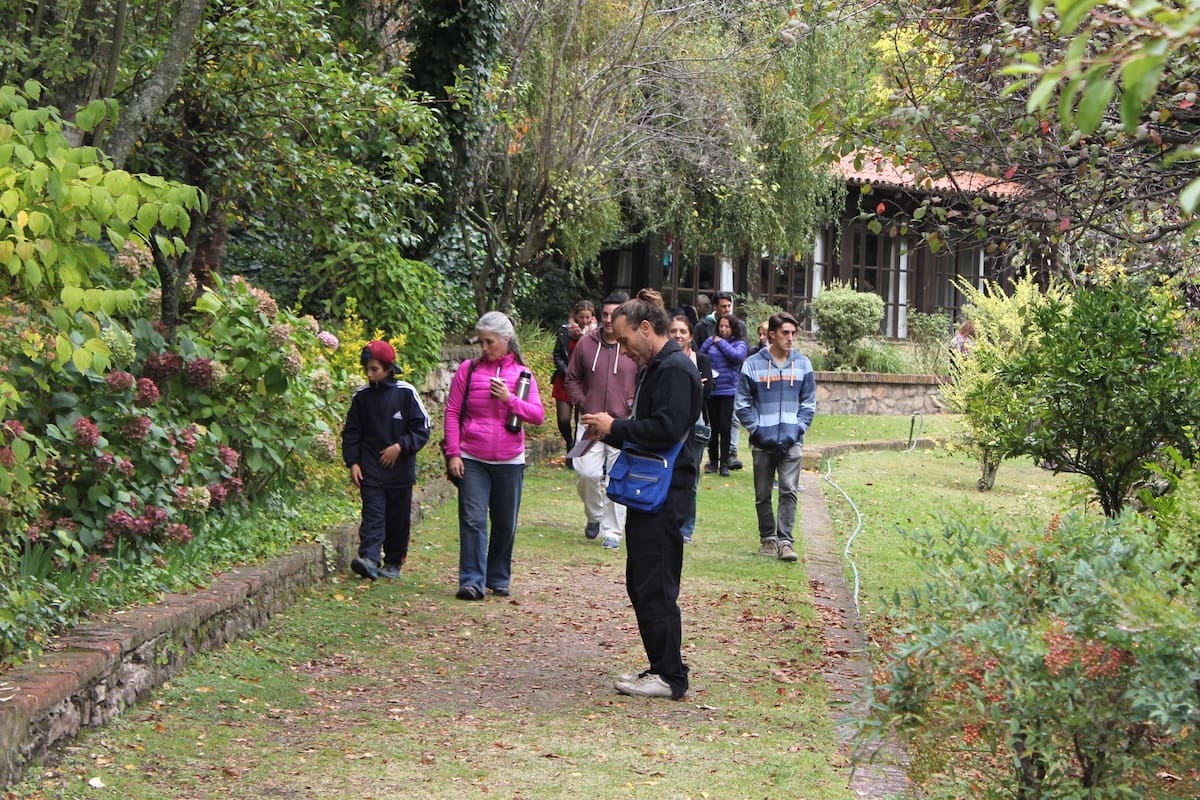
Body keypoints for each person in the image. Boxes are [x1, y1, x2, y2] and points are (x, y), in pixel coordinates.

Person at [581, 296, 700, 699]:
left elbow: (666, 430)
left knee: (656, 583)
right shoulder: (657, 366)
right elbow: (650, 429)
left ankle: (670, 676)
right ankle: (660, 667)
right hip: (650, 491)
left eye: (626, 339)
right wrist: (610, 431)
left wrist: (616, 427)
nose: (623, 349)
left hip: (666, 493)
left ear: (645, 328)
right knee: (642, 581)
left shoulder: (676, 369)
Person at [443, 312, 545, 600]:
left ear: (506, 339)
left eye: (490, 342)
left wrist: (509, 399)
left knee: (505, 522)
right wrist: (453, 453)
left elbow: (537, 415)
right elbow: (452, 412)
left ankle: (498, 576)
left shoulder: (523, 374)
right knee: (472, 519)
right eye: (482, 342)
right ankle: (472, 581)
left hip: (509, 460)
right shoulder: (468, 370)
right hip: (472, 456)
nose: (484, 348)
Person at [341, 340, 432, 580]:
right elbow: (352, 432)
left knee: (397, 520)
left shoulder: (406, 393)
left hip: (400, 473)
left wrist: (400, 447)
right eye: (367, 369)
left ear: (389, 368)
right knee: (372, 514)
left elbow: (422, 428)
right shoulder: (361, 396)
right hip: (370, 469)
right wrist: (353, 462)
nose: (370, 375)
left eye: (375, 369)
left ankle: (393, 562)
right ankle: (369, 559)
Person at [734, 312, 816, 563]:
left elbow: (809, 403)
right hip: (762, 441)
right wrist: (757, 429)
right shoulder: (752, 364)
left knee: (789, 490)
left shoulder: (803, 364)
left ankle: (786, 542)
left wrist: (798, 429)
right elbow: (742, 402)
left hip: (792, 441)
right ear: (772, 334)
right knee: (762, 493)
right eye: (785, 333)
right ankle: (768, 538)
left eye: (793, 333)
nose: (790, 338)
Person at [565, 290, 637, 550]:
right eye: (605, 314)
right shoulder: (586, 343)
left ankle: (612, 531)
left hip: (622, 422)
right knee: (586, 472)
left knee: (617, 478)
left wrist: (632, 404)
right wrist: (583, 401)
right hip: (591, 421)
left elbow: (643, 379)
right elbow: (572, 378)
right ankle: (595, 515)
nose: (608, 320)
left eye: (613, 315)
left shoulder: (632, 345)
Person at [668, 314, 713, 543]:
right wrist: (694, 384)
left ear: (691, 336)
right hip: (670, 424)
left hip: (696, 425)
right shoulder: (664, 360)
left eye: (682, 331)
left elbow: (708, 390)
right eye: (673, 331)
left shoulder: (701, 360)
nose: (678, 335)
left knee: (691, 476)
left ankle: (686, 527)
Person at [699, 311, 748, 476]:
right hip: (713, 390)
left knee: (725, 427)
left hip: (728, 391)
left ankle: (725, 463)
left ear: (733, 328)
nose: (723, 329)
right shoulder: (711, 340)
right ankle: (712, 461)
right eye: (721, 326)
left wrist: (720, 342)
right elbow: (701, 355)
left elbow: (737, 357)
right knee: (712, 427)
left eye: (727, 326)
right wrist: (710, 342)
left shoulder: (739, 343)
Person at [550, 300, 596, 467]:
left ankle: (575, 453)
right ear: (575, 316)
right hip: (565, 379)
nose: (584, 321)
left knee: (581, 420)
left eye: (587, 317)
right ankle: (569, 442)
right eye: (581, 317)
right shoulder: (564, 331)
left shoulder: (595, 334)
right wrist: (567, 371)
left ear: (592, 317)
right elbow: (557, 354)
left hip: (585, 382)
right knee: (563, 419)